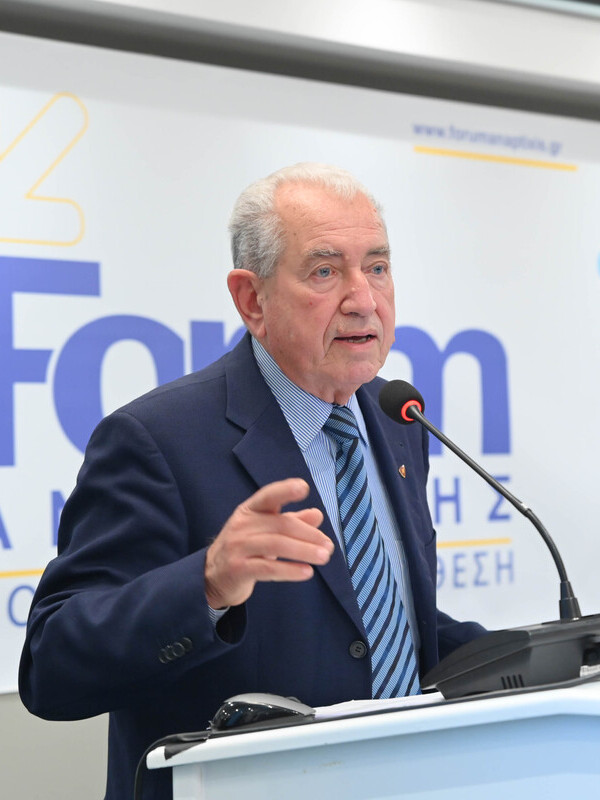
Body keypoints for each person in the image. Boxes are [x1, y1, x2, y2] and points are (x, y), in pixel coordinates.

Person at [19, 163, 485, 799]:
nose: (364, 299)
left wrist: (548, 655)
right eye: (325, 272)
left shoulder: (395, 419)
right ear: (251, 300)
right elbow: (52, 668)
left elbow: (377, 624)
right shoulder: (157, 439)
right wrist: (206, 584)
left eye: (376, 267)